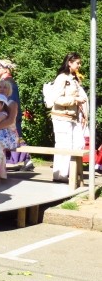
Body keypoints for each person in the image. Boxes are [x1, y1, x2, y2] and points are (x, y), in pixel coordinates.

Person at [48, 52, 88, 183]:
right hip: (61, 118)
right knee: (63, 145)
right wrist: (75, 100)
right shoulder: (61, 78)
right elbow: (56, 99)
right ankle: (60, 175)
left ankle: (71, 172)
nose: (79, 65)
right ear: (69, 62)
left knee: (78, 144)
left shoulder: (73, 78)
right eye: (77, 63)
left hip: (72, 118)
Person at [0, 59, 32, 171]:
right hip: (5, 117)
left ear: (5, 69)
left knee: (16, 138)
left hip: (8, 118)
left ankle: (27, 159)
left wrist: (7, 117)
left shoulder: (9, 83)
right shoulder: (5, 82)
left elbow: (11, 102)